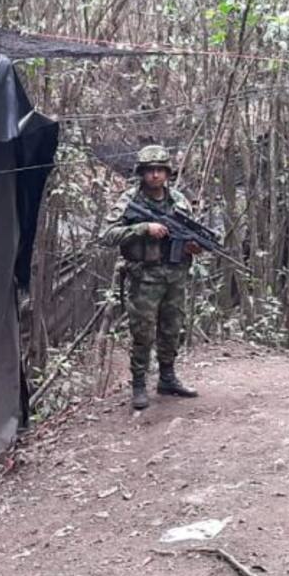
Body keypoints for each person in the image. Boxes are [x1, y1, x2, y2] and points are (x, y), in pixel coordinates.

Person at [101, 144, 201, 410]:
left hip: (175, 276)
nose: (155, 175)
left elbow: (191, 237)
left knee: (172, 328)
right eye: (150, 170)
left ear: (167, 173)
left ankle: (167, 378)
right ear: (141, 173)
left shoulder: (179, 201)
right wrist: (143, 228)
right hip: (143, 277)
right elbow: (107, 235)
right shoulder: (129, 201)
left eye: (160, 170)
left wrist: (193, 246)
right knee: (142, 333)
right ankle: (138, 385)